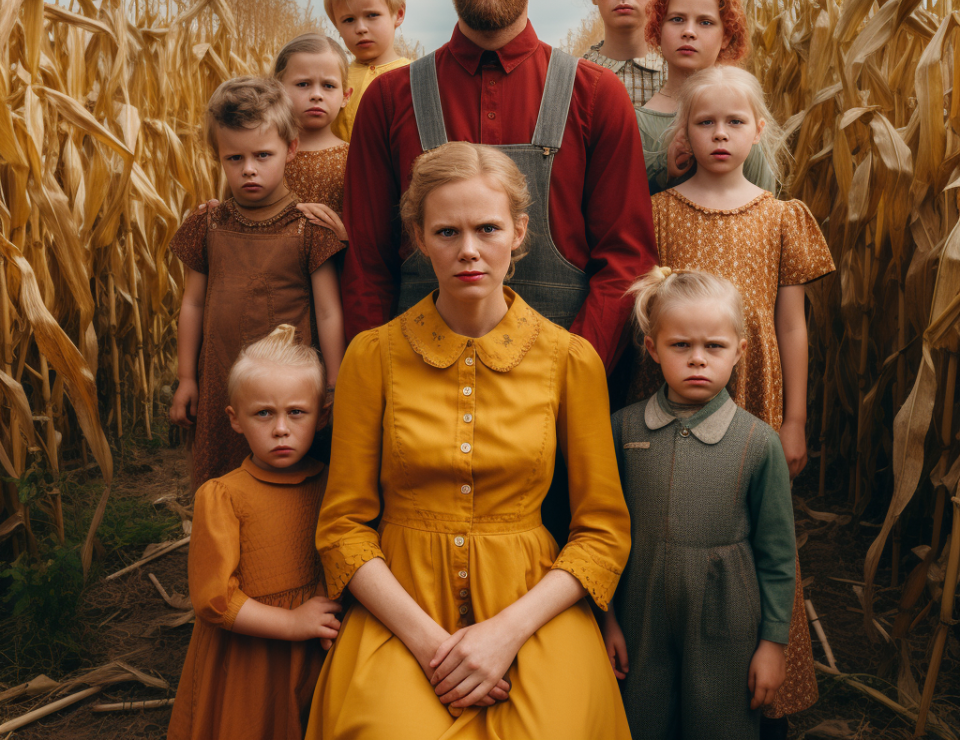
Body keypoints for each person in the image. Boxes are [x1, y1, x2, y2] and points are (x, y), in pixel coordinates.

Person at [304, 143, 632, 740]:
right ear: (419, 238)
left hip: (532, 605)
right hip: (401, 605)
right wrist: (434, 647)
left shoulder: (570, 360)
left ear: (520, 231)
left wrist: (503, 634)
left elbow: (602, 534)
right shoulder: (372, 357)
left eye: (487, 228)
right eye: (447, 231)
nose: (469, 251)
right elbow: (343, 528)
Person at [340, 0, 657, 374]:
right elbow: (365, 270)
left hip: (561, 393)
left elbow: (625, 264)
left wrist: (571, 378)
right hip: (417, 392)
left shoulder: (598, 96)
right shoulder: (388, 99)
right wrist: (378, 381)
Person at [649, 66, 835, 735]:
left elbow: (792, 325)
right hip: (675, 399)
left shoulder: (783, 217)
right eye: (705, 122)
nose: (721, 134)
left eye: (735, 122)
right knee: (681, 527)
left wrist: (793, 420)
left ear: (758, 130)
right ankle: (675, 677)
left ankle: (767, 675)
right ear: (686, 133)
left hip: (755, 395)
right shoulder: (659, 214)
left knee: (756, 530)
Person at [606, 267, 796, 740]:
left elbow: (778, 555)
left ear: (739, 352)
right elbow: (600, 534)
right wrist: (606, 619)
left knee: (721, 722)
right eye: (680, 346)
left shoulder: (758, 443)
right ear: (652, 349)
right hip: (639, 614)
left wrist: (772, 644)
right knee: (640, 720)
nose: (697, 359)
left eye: (713, 346)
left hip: (726, 620)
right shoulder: (623, 430)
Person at [168, 77, 345, 489]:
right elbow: (193, 304)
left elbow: (328, 310)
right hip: (221, 377)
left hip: (291, 388)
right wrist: (187, 378)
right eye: (234, 158)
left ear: (291, 149)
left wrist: (335, 383)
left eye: (263, 155)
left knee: (293, 484)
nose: (249, 169)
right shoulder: (208, 224)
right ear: (218, 157)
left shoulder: (308, 229)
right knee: (222, 484)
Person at [167, 325, 342, 740]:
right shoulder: (223, 495)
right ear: (236, 420)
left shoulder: (333, 485)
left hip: (315, 647)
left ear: (322, 415)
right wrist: (292, 623)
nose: (281, 428)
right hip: (249, 655)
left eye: (296, 412)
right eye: (263, 413)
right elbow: (213, 600)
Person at [641, 0, 776, 195]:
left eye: (705, 22)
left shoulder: (742, 117)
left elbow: (764, 208)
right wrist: (666, 173)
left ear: (726, 36)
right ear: (658, 29)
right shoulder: (636, 125)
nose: (689, 31)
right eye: (676, 19)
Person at [274, 32, 352, 242]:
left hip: (336, 269)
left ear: (345, 96)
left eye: (328, 85)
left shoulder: (353, 159)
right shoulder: (263, 156)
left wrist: (346, 236)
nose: (316, 95)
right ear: (277, 89)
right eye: (303, 84)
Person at [324, 0, 410, 142]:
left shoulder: (415, 77)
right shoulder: (333, 81)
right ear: (336, 25)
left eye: (372, 15)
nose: (360, 28)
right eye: (348, 20)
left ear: (398, 14)